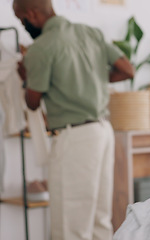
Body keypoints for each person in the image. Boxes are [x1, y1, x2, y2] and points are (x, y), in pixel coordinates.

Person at [13, 0, 134, 239]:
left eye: (21, 20)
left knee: (70, 226)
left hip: (75, 138)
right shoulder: (91, 33)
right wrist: (93, 78)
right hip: (103, 132)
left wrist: (26, 77)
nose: (23, 25)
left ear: (32, 14)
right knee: (99, 220)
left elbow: (33, 102)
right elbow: (127, 70)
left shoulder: (41, 48)